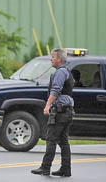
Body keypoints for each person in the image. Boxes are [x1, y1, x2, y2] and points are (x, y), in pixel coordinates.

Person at [31, 48, 75, 177]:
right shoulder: (66, 71)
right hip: (67, 111)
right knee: (63, 141)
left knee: (51, 139)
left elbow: (55, 90)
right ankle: (66, 169)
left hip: (60, 112)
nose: (51, 59)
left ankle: (45, 167)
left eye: (53, 57)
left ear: (59, 59)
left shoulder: (60, 72)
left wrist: (47, 105)